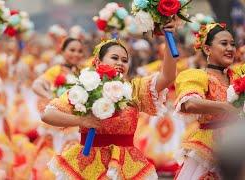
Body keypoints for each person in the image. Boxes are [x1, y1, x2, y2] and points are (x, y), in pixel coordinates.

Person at [42, 21, 178, 179]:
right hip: (89, 164)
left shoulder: (133, 89)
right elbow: (48, 115)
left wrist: (169, 39)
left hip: (125, 164)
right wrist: (82, 120)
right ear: (98, 61)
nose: (121, 63)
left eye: (125, 60)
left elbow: (168, 77)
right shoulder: (86, 88)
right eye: (115, 58)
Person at [174, 23, 239, 179]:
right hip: (211, 146)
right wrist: (225, 107)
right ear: (207, 49)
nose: (230, 48)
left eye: (232, 44)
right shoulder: (198, 76)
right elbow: (189, 104)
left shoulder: (238, 76)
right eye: (224, 44)